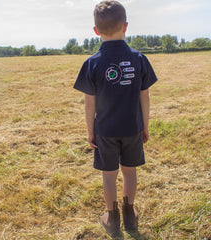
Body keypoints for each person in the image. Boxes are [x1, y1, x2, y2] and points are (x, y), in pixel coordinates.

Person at [73, 0, 157, 236]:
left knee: (108, 175)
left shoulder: (92, 63)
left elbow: (90, 102)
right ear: (126, 26)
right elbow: (145, 96)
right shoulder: (139, 58)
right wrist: (145, 125)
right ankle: (130, 213)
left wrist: (91, 131)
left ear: (96, 31)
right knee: (130, 172)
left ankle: (112, 217)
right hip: (132, 128)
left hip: (105, 130)